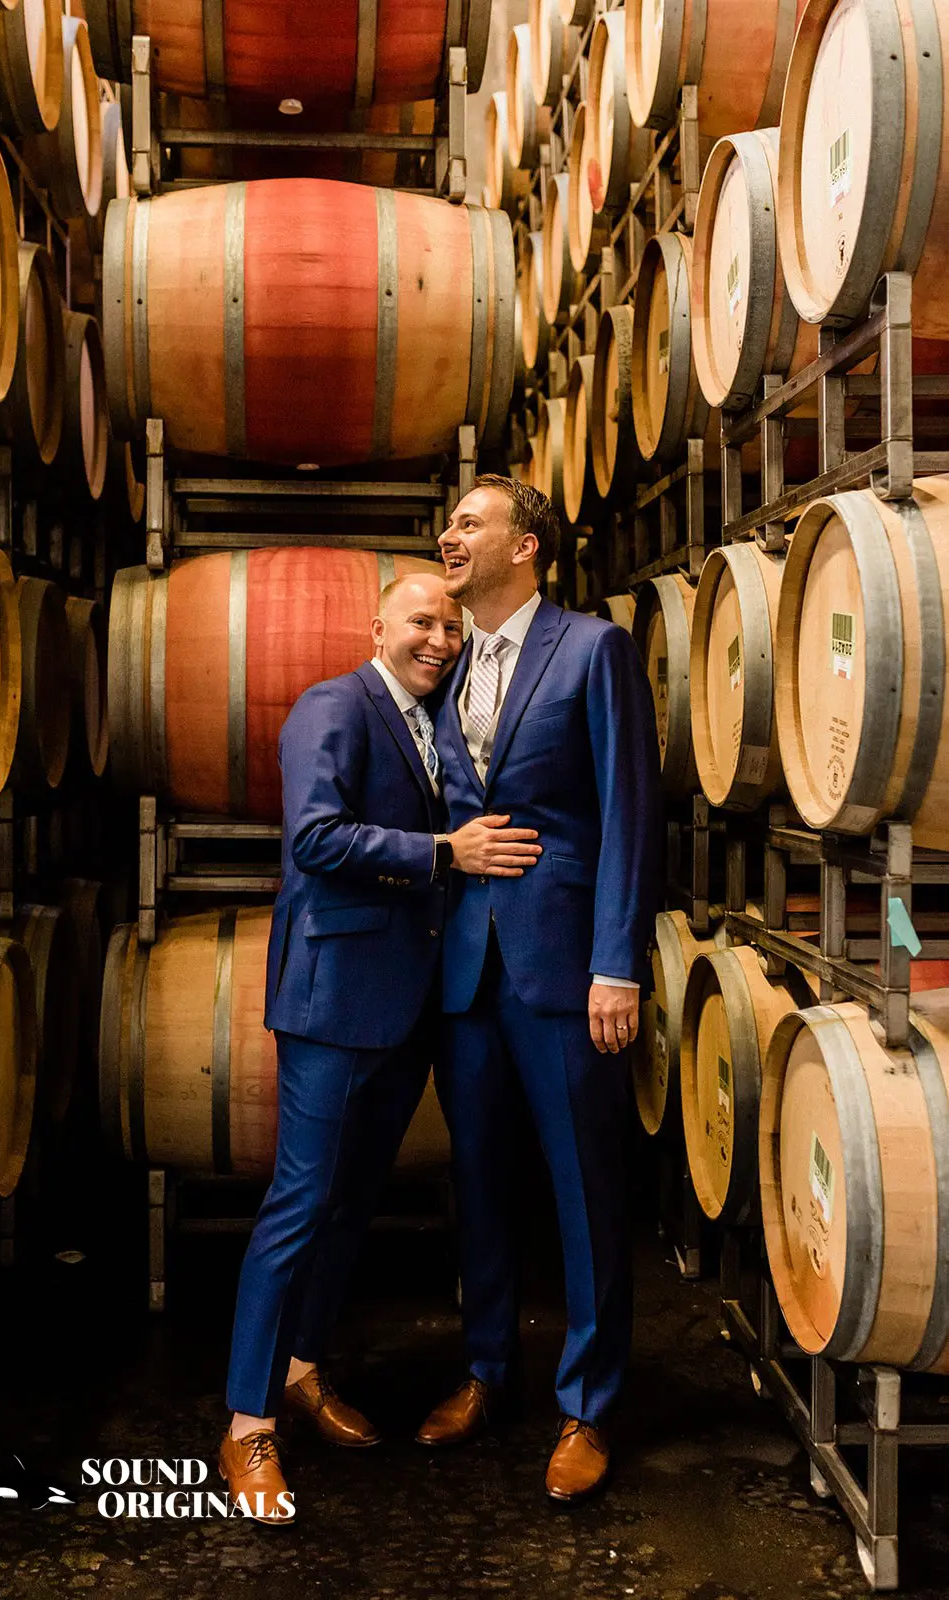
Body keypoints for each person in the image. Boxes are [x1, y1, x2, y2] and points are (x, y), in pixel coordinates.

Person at [220, 571, 543, 1522]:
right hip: (333, 998)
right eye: (420, 623)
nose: (438, 640)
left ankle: (300, 1369)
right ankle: (246, 1425)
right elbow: (316, 840)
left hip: (406, 1006)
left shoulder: (433, 721)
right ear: (378, 628)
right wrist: (445, 852)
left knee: (352, 1200)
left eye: (451, 627)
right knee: (298, 1204)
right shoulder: (334, 706)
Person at [417, 477, 661, 1503]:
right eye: (449, 523)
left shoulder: (592, 649)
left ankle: (588, 1405)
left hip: (562, 967)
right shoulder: (443, 664)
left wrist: (616, 963)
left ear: (525, 548)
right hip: (464, 969)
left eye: (469, 523)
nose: (449, 535)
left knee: (583, 1188)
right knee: (478, 1179)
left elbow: (627, 810)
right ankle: (486, 1371)